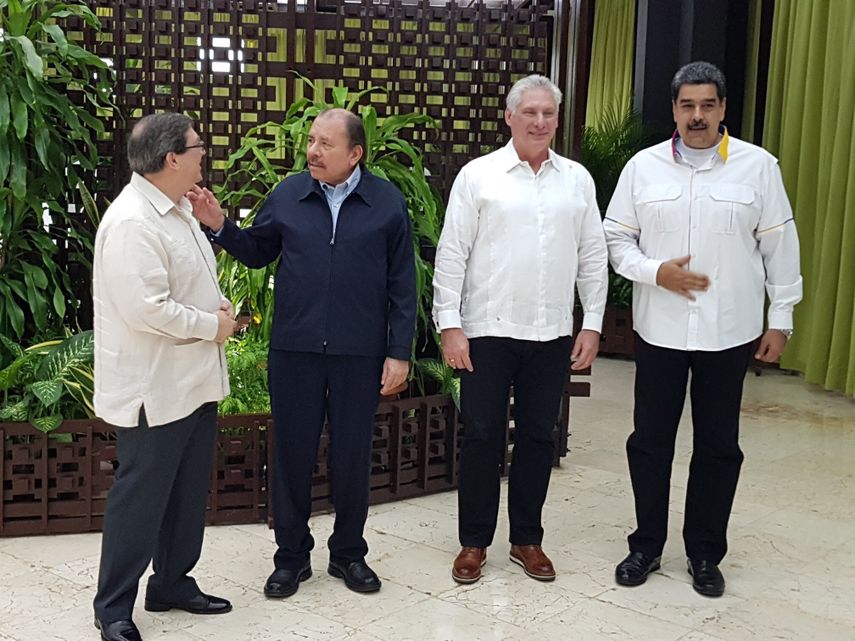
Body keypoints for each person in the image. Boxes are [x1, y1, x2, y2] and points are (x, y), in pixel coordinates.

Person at [190, 108, 416, 597]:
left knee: (353, 455)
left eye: (325, 144)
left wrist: (399, 352)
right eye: (311, 141)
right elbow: (257, 251)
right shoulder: (289, 194)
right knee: (291, 454)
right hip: (295, 350)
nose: (312, 151)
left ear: (355, 154)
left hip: (360, 353)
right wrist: (220, 225)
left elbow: (403, 284)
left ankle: (348, 554)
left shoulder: (387, 203)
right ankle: (291, 558)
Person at [604, 61, 803, 597]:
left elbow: (780, 249)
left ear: (722, 110)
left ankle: (704, 553)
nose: (697, 116)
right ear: (673, 110)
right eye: (687, 105)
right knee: (650, 442)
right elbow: (616, 239)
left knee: (718, 447)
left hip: (728, 331)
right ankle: (645, 545)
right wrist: (656, 272)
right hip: (660, 331)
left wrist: (779, 319)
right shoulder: (641, 168)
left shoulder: (758, 168)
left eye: (707, 105)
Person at [432, 75, 608, 584]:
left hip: (551, 332)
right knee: (483, 435)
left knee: (537, 436)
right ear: (508, 117)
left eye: (548, 113)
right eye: (528, 112)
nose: (538, 122)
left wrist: (591, 323)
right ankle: (474, 542)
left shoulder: (576, 179)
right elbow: (452, 254)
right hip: (486, 330)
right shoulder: (478, 175)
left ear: (557, 118)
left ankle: (527, 539)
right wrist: (450, 325)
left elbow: (593, 257)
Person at [92, 112, 237, 641]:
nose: (205, 154)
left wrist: (214, 307)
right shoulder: (133, 221)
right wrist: (210, 326)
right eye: (200, 147)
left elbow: (190, 281)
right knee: (141, 498)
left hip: (193, 381)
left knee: (185, 492)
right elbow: (146, 308)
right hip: (155, 386)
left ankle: (172, 582)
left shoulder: (176, 209)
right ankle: (112, 607)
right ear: (173, 157)